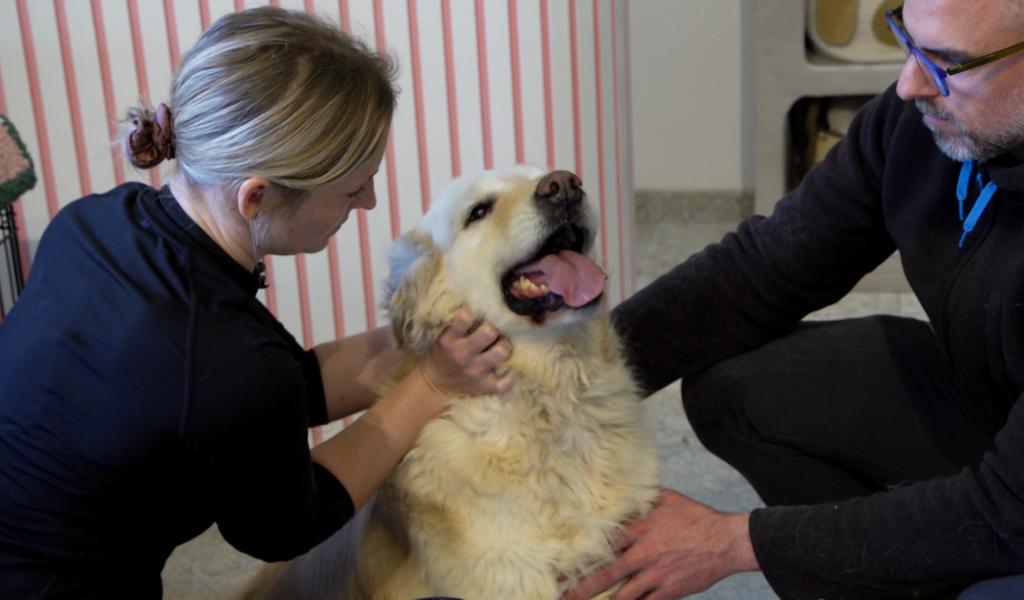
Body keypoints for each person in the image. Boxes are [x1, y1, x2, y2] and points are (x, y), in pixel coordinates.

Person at [0, 7, 511, 598]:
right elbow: (285, 525)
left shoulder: (93, 223)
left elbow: (258, 401)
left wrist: (417, 338)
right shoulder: (229, 365)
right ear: (257, 197)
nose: (368, 202)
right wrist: (432, 387)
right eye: (351, 188)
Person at [566, 0, 1024, 598]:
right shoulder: (916, 121)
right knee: (736, 388)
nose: (910, 85)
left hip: (1015, 496)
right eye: (909, 41)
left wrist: (731, 542)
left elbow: (1007, 507)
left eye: (948, 64)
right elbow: (764, 267)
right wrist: (572, 381)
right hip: (990, 397)